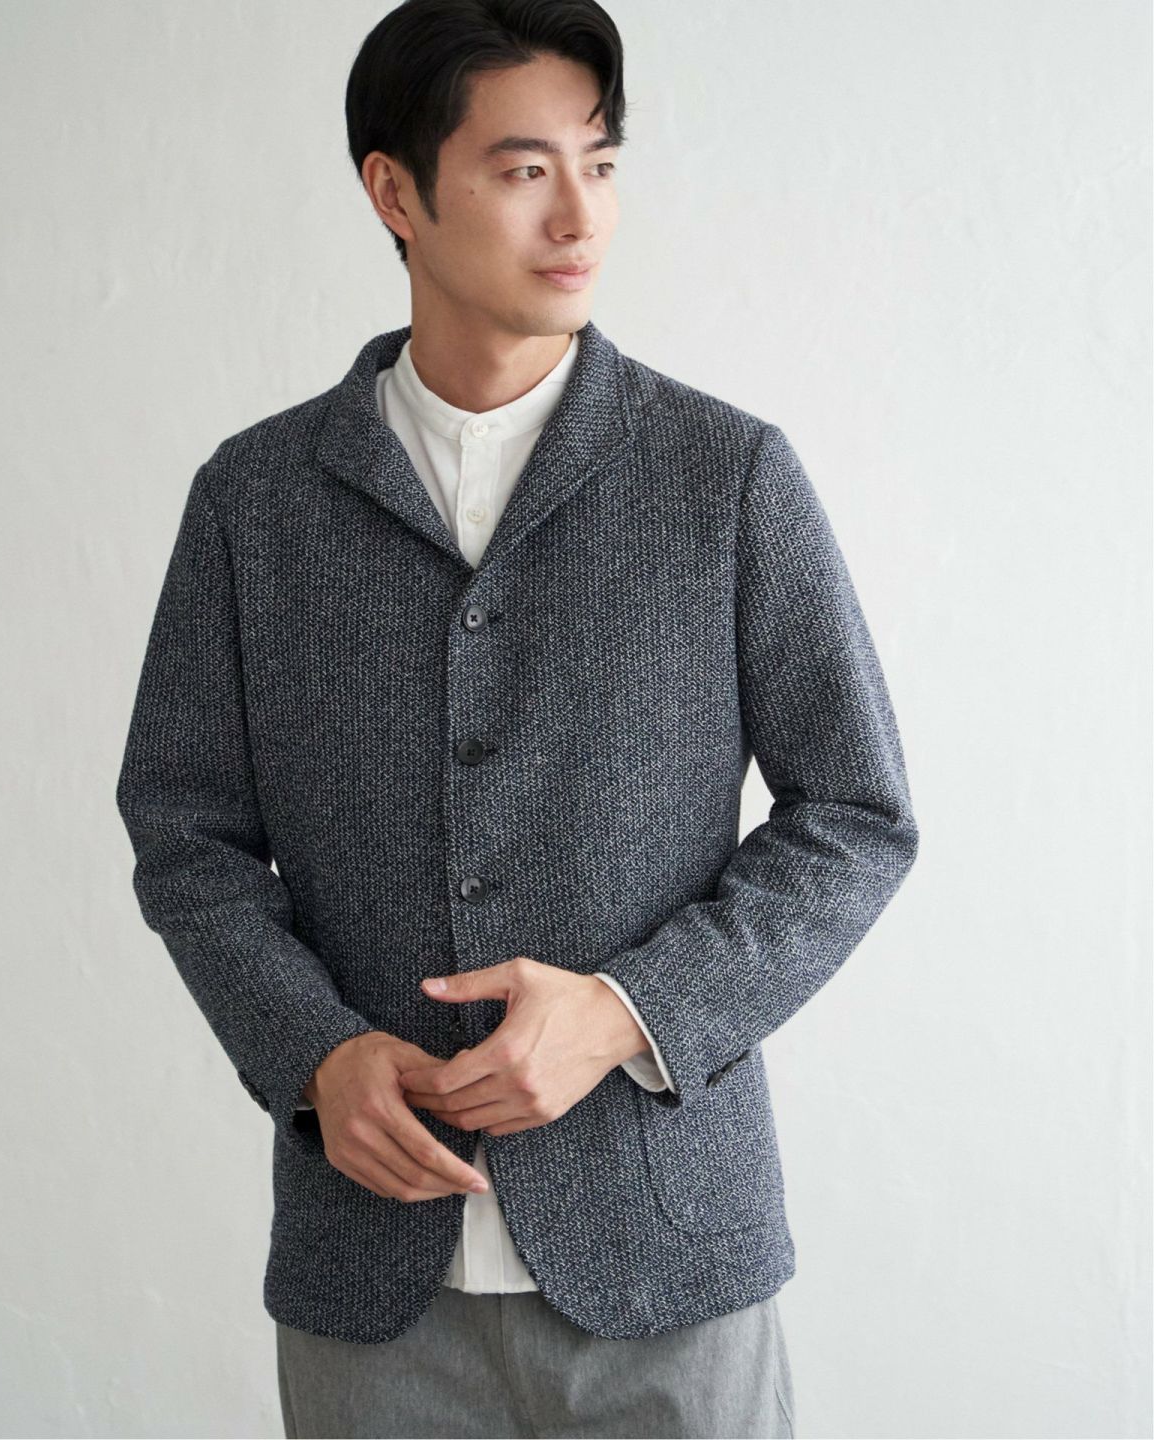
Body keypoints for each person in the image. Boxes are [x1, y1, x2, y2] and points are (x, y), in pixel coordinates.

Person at [115, 1, 919, 1436]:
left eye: (600, 165)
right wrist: (313, 1053)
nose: (580, 216)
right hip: (371, 1281)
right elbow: (186, 835)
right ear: (395, 193)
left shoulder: (724, 477)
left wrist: (627, 1015)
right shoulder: (256, 501)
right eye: (523, 168)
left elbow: (857, 816)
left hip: (670, 1264)